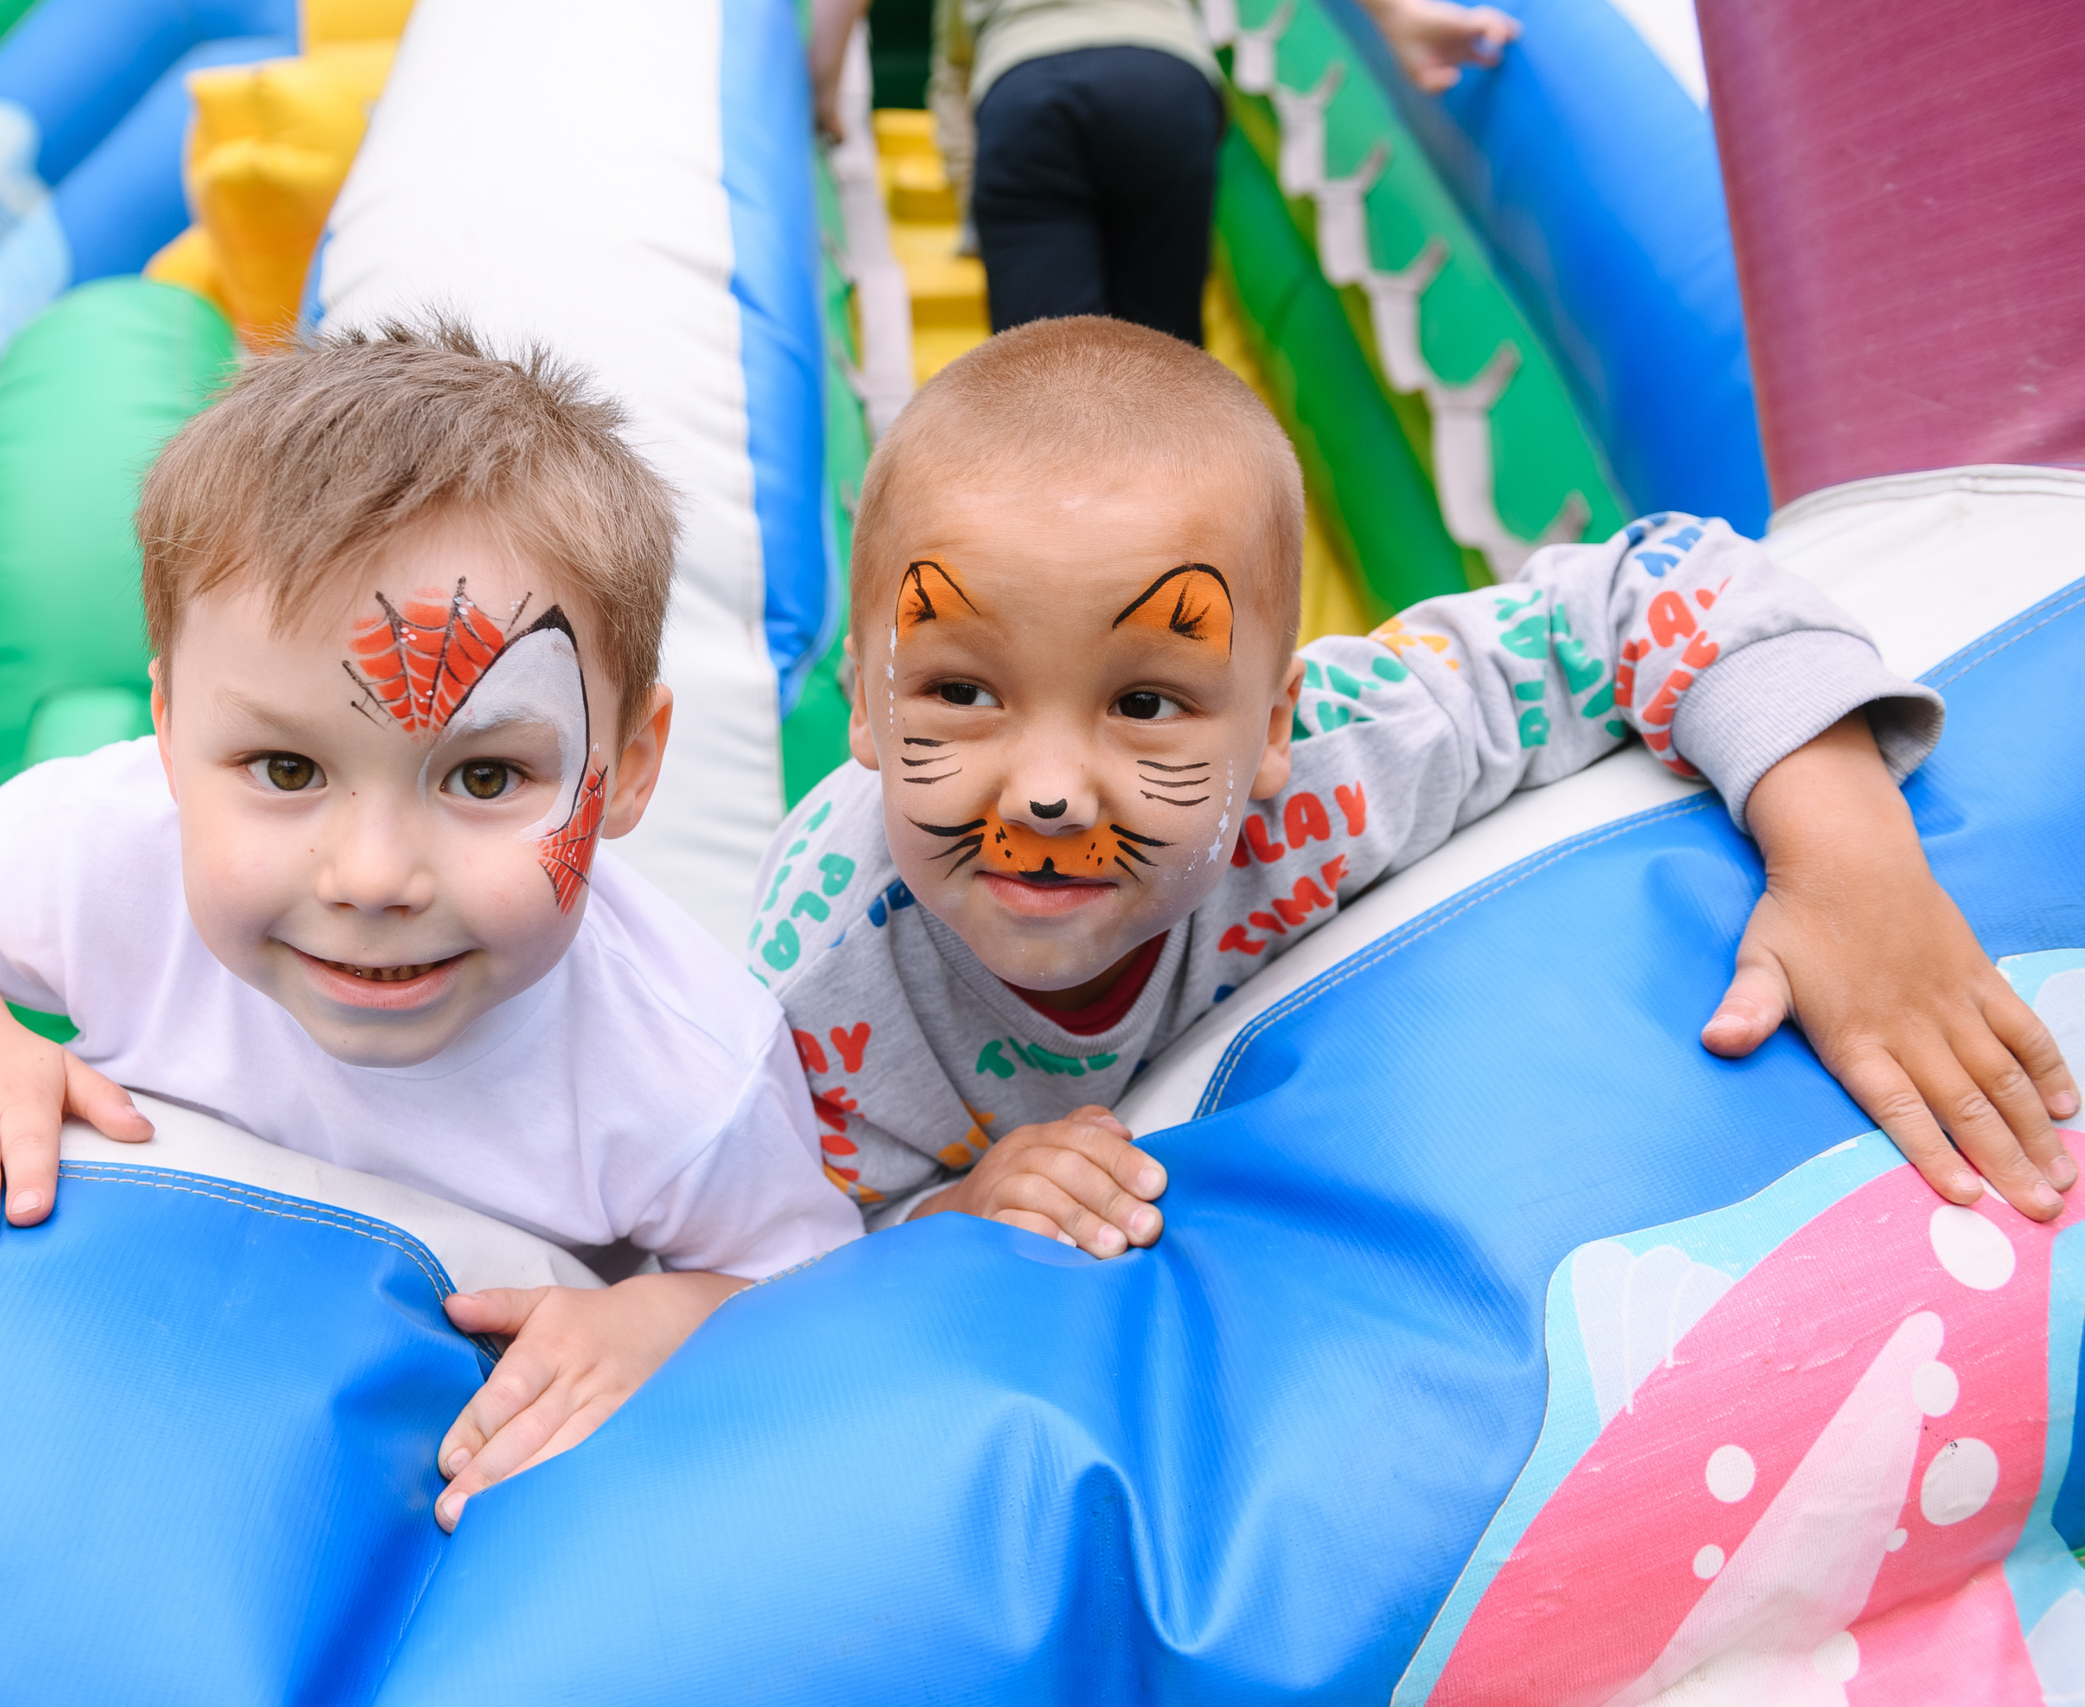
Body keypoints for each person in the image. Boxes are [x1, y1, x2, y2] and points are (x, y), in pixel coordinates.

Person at [0, 321, 864, 1531]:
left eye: (486, 778)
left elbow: (820, 1294)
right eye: (286, 769)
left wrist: (672, 1315)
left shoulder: (685, 1074)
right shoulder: (113, 847)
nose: (372, 875)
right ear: (170, 728)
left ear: (631, 765)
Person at [749, 316, 2078, 1252]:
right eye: (964, 693)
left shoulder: (1345, 757)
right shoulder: (810, 991)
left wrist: (1848, 864)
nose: (1046, 789)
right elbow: (759, 1262)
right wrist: (953, 1212)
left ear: (1274, 722)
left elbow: (1656, 580)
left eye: (1145, 702)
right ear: (864, 700)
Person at [808, 0, 1520, 343]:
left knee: (1046, 370)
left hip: (1024, 91)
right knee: (1161, 355)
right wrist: (1396, 20)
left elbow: (949, 81)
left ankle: (1065, 581)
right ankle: (1183, 583)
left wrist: (821, 87)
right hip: (1162, 82)